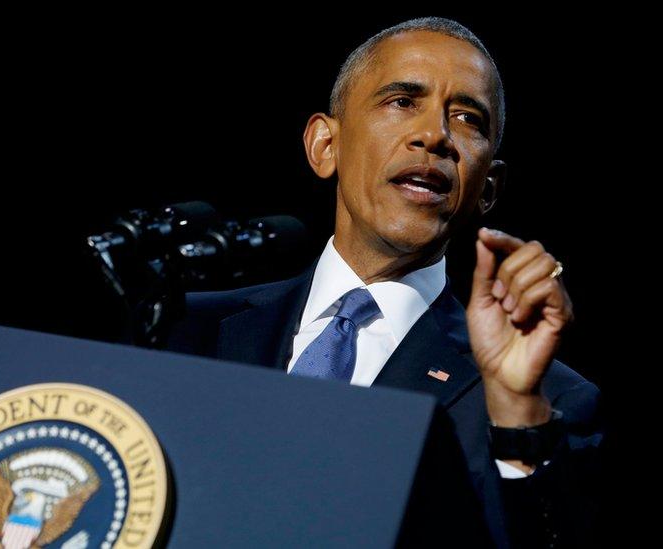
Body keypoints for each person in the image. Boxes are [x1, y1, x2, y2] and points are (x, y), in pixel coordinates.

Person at [164, 17, 602, 547]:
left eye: (467, 118)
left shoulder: (545, 399)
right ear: (325, 145)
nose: (434, 135)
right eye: (402, 102)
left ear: (488, 188)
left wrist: (514, 412)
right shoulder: (184, 331)